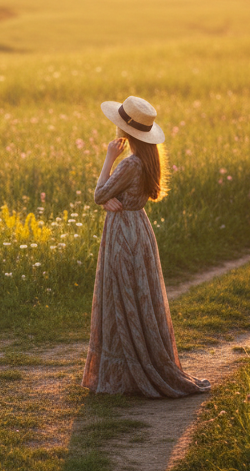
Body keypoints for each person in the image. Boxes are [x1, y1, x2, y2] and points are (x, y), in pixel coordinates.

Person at [82, 95, 211, 398]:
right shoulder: (149, 161)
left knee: (120, 294)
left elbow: (99, 194)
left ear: (124, 134)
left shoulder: (129, 165)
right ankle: (138, 360)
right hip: (138, 228)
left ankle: (128, 370)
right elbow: (110, 197)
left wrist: (108, 160)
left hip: (123, 233)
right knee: (139, 294)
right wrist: (112, 199)